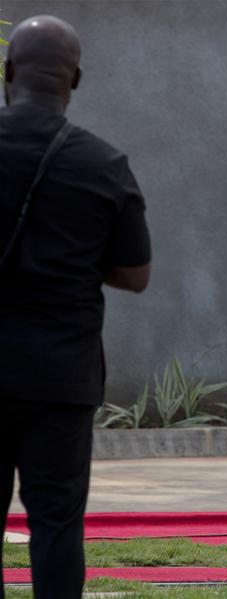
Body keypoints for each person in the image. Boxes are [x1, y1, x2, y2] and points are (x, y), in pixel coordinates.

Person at [0, 15, 151, 599]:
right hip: (61, 377)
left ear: (8, 72)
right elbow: (135, 275)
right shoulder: (104, 165)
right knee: (57, 525)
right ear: (76, 80)